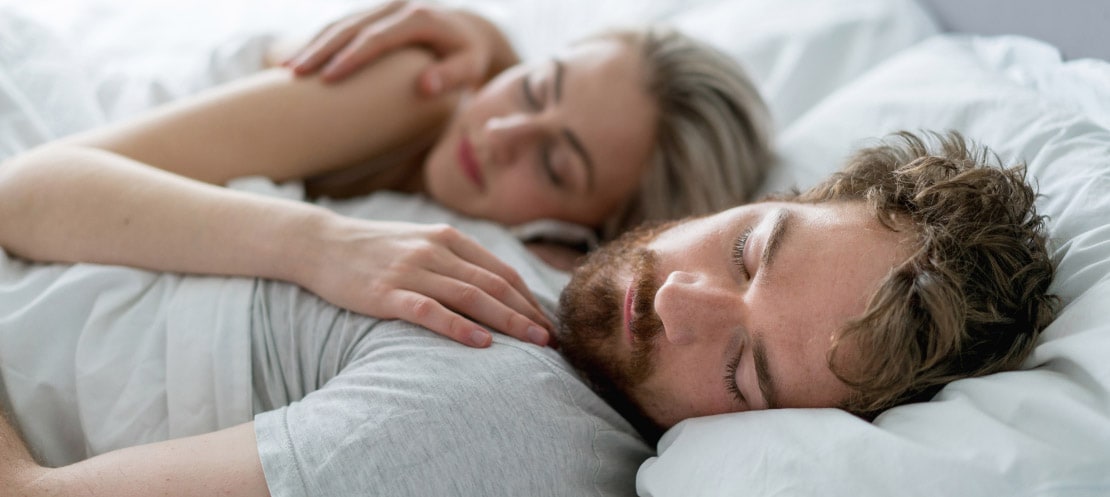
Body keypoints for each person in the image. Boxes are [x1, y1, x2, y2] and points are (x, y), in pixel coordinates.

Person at [0, 130, 1057, 496]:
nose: (678, 298)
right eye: (747, 247)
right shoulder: (554, 287)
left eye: (744, 370)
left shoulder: (493, 432)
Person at [0, 2, 774, 351]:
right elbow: (26, 192)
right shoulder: (412, 85)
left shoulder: (514, 248)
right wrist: (319, 245)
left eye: (554, 161)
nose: (501, 130)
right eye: (534, 85)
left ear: (583, 237)